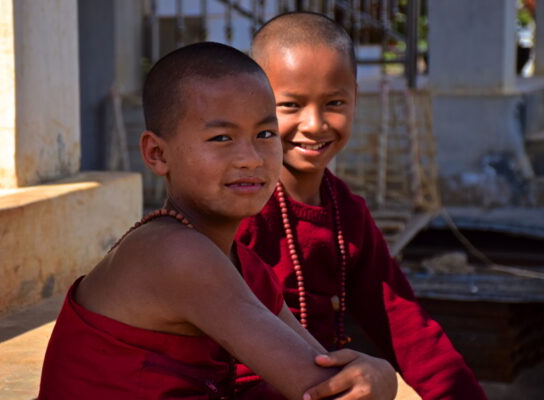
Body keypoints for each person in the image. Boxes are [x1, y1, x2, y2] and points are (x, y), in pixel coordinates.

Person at [38, 42, 396, 400]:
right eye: (221, 138)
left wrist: (373, 374)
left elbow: (323, 369)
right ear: (157, 153)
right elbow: (323, 390)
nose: (251, 158)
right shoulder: (173, 254)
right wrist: (382, 376)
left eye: (265, 134)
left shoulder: (246, 267)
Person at [236, 12, 488, 400]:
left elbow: (405, 325)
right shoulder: (241, 210)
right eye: (290, 105)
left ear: (355, 96)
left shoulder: (347, 214)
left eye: (334, 102)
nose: (315, 124)